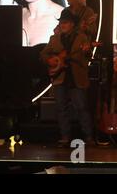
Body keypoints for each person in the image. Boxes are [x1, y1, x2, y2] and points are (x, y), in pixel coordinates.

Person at [40, 9, 94, 146]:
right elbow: (43, 55)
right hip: (60, 78)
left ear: (72, 24)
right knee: (61, 108)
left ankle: (89, 137)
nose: (62, 25)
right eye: (61, 22)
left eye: (65, 22)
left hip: (76, 78)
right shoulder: (54, 39)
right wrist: (50, 61)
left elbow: (88, 57)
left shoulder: (82, 38)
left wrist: (87, 50)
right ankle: (65, 137)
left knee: (82, 107)